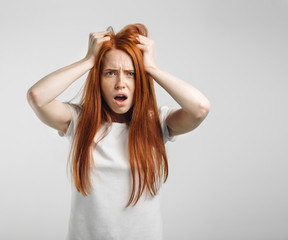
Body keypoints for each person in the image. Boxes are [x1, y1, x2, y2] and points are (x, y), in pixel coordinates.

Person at [26, 23, 210, 240]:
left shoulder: (157, 122)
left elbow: (200, 108)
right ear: (99, 79)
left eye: (131, 74)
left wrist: (151, 68)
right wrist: (88, 61)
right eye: (110, 73)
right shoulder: (79, 120)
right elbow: (37, 96)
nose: (120, 83)